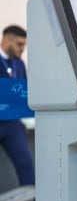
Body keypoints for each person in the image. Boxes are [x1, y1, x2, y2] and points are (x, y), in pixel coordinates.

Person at [0, 25, 35, 190]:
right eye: (19, 44)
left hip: (12, 124)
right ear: (7, 40)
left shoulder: (19, 64)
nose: (22, 49)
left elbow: (22, 90)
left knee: (26, 167)